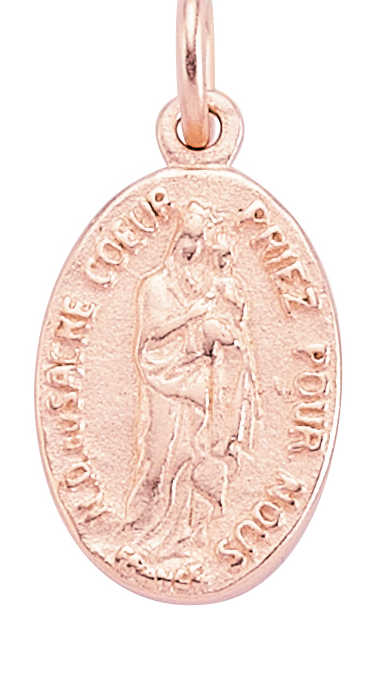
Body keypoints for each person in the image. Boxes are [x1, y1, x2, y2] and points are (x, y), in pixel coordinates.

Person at [124, 201, 259, 557]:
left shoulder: (200, 286)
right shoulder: (155, 286)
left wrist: (216, 333)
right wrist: (191, 316)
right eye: (187, 237)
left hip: (195, 370)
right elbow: (153, 336)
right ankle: (143, 522)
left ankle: (189, 531)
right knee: (158, 455)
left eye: (198, 240)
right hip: (163, 371)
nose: (192, 247)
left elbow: (213, 330)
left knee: (194, 448)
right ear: (175, 240)